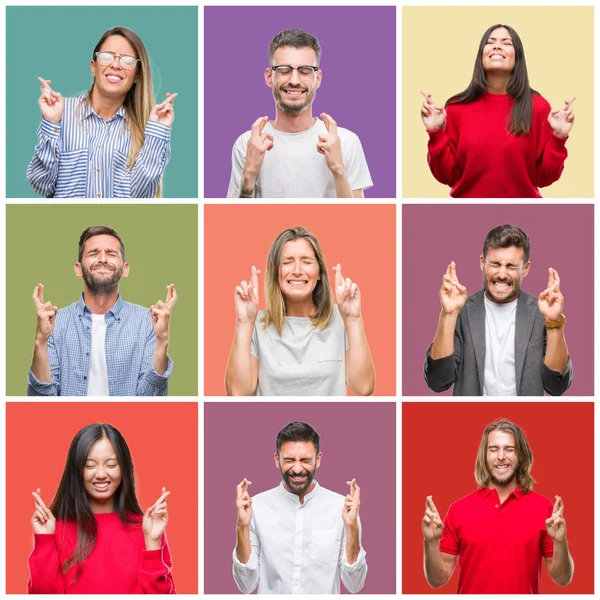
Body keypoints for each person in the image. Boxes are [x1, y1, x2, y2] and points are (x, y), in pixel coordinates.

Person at [420, 24, 575, 198]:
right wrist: (435, 132)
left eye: (506, 43)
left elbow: (544, 177)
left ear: (518, 57)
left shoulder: (538, 107)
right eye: (490, 42)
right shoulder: (457, 108)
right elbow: (447, 175)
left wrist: (559, 137)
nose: (497, 45)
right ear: (481, 55)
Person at [422, 418, 573, 593]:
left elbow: (562, 579)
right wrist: (431, 542)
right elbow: (437, 580)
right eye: (493, 449)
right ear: (484, 456)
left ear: (521, 455)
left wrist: (560, 542)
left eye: (509, 449)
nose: (501, 456)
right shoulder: (458, 510)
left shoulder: (544, 508)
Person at [27, 26, 178, 198]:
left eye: (127, 60)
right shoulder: (61, 113)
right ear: (93, 66)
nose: (115, 65)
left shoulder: (146, 130)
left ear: (137, 75)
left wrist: (157, 132)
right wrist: (52, 123)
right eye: (107, 56)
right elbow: (42, 185)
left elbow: (140, 199)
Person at [28, 225, 177, 396]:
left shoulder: (147, 321)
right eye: (93, 253)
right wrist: (40, 340)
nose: (103, 259)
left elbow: (150, 400)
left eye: (111, 253)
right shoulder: (55, 322)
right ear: (78, 269)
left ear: (125, 269)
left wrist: (162, 340)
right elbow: (43, 399)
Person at [424, 224, 572, 396]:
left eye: (511, 266)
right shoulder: (461, 310)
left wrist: (555, 324)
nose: (502, 274)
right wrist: (448, 315)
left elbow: (556, 387)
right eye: (495, 264)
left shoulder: (541, 312)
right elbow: (438, 381)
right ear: (482, 263)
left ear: (525, 269)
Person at [225, 226, 375, 396]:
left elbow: (363, 387)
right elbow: (237, 392)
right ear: (275, 272)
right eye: (287, 262)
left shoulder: (342, 318)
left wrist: (354, 320)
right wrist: (243, 323)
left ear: (319, 273)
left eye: (306, 261)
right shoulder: (256, 324)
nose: (297, 271)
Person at [28, 423, 174, 593]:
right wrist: (45, 540)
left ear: (124, 468)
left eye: (111, 464)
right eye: (90, 465)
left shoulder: (147, 530)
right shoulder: (57, 530)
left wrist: (153, 542)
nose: (101, 474)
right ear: (76, 471)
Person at [226, 28, 372, 198]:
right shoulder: (248, 144)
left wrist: (338, 170)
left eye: (304, 71)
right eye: (283, 70)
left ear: (317, 78)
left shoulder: (345, 142)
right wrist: (249, 174)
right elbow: (237, 221)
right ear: (268, 77)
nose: (294, 81)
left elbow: (358, 221)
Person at [233, 421, 367, 594]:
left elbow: (354, 584)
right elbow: (246, 585)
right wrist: (242, 525)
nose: (297, 469)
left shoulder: (342, 509)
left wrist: (352, 527)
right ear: (277, 460)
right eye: (289, 460)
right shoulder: (256, 507)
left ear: (317, 460)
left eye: (305, 460)